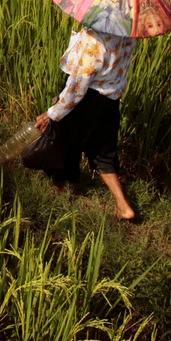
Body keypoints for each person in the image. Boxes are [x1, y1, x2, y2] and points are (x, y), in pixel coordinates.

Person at [34, 26, 136, 220]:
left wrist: (52, 113)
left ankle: (60, 196)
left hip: (86, 99)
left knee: (65, 143)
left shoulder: (94, 38)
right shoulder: (128, 36)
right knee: (104, 153)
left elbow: (77, 86)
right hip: (110, 101)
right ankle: (123, 206)